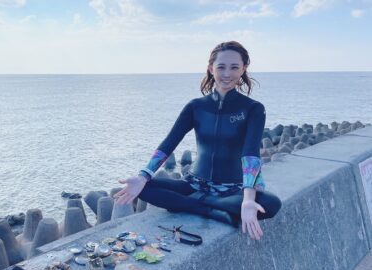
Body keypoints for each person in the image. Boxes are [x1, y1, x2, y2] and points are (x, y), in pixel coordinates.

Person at [114, 41, 281, 241]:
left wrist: (247, 200)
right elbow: (169, 143)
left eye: (234, 67)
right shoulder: (195, 107)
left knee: (271, 204)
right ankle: (210, 209)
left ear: (244, 69)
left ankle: (197, 204)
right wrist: (143, 176)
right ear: (211, 68)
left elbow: (251, 154)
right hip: (194, 184)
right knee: (143, 188)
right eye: (221, 67)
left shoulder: (253, 109)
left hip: (234, 189)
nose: (227, 73)